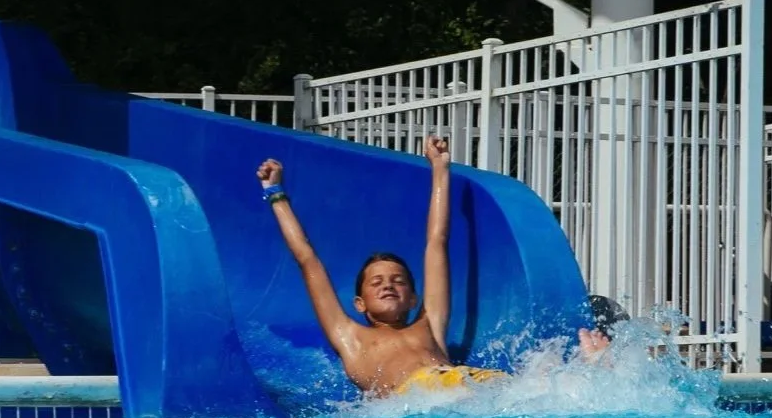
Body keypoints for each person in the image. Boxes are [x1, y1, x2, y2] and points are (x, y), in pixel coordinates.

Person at [257, 135, 609, 397]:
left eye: (398, 280)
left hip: (466, 382)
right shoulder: (350, 338)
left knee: (533, 386)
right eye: (376, 281)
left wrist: (440, 170)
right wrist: (276, 194)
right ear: (359, 303)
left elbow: (436, 242)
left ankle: (592, 374)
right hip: (419, 399)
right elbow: (307, 259)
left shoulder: (430, 326)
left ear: (413, 298)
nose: (388, 284)